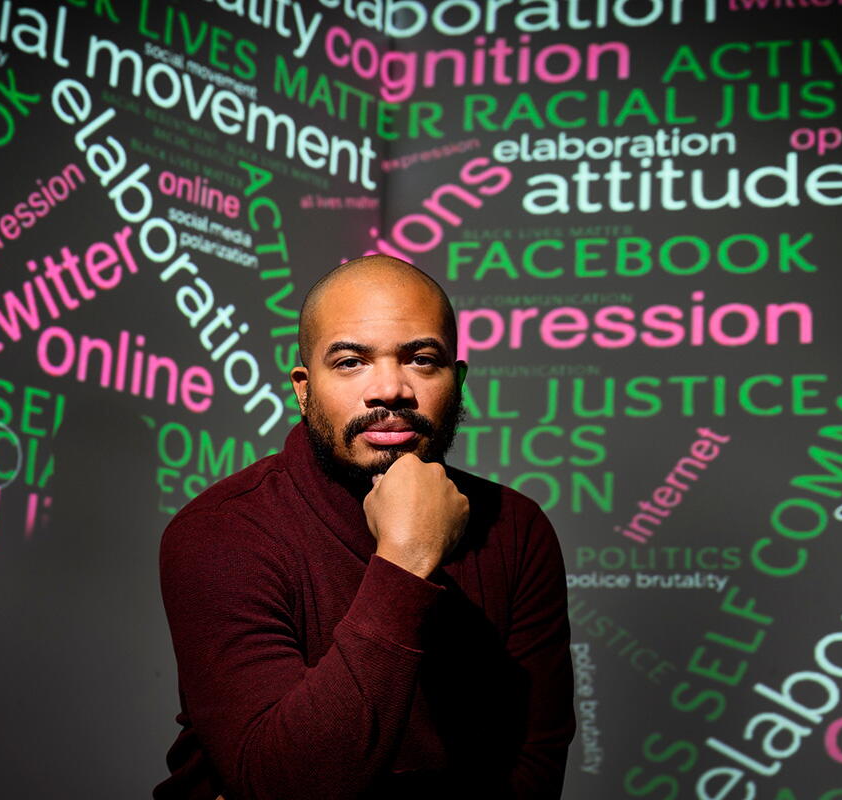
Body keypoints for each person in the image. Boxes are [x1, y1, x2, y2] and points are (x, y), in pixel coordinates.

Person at [155, 255, 575, 799]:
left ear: (457, 380)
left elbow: (532, 766)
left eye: (422, 360)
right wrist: (405, 560)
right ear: (304, 388)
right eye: (352, 362)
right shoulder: (222, 531)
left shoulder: (515, 527)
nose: (391, 389)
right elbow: (280, 784)